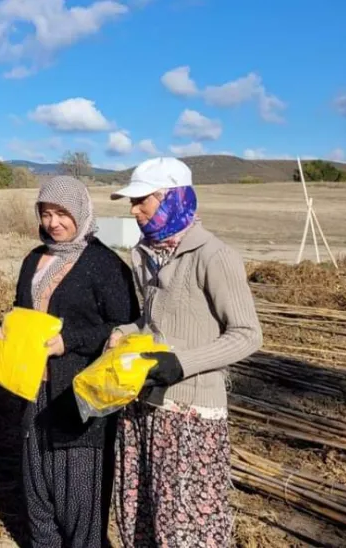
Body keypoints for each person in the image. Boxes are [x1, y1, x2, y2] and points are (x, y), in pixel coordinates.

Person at [106, 157, 262, 548]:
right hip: (144, 403)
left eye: (143, 200)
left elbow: (247, 335)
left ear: (173, 198)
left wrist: (182, 364)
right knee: (140, 512)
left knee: (187, 524)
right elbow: (152, 323)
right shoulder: (145, 254)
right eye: (132, 201)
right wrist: (123, 333)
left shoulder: (214, 256)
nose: (134, 209)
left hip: (191, 413)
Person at [0, 176, 139, 547]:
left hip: (78, 395)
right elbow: (22, 311)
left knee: (79, 499)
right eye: (46, 213)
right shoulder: (33, 259)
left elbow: (125, 328)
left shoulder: (105, 265)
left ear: (81, 212)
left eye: (62, 213)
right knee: (38, 490)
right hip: (33, 387)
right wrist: (7, 331)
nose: (53, 223)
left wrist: (69, 341)